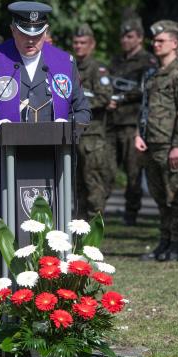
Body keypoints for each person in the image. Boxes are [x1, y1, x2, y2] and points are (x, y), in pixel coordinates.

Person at [0, 1, 91, 281]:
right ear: (12, 29)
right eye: (24, 33)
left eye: (37, 33)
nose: (31, 40)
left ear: (46, 31)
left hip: (54, 170)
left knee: (53, 241)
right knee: (4, 243)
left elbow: (82, 109)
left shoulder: (63, 63)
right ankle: (4, 311)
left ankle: (52, 307)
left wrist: (69, 127)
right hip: (0, 167)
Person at [135, 20, 178, 262]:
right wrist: (138, 133)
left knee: (175, 197)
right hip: (151, 143)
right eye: (155, 41)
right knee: (160, 198)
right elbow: (145, 107)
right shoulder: (153, 74)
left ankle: (177, 244)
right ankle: (165, 241)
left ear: (174, 43)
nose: (155, 44)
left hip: (170, 145)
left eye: (161, 41)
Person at [107, 18, 158, 226]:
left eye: (130, 37)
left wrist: (122, 98)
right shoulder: (116, 61)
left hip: (132, 123)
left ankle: (131, 213)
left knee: (133, 172)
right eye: (123, 37)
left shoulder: (148, 61)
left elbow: (147, 90)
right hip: (112, 123)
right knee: (107, 168)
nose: (125, 41)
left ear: (140, 38)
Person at [72, 24, 114, 219]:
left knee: (94, 186)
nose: (79, 46)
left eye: (83, 43)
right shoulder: (69, 67)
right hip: (74, 136)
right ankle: (79, 232)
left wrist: (78, 105)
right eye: (76, 42)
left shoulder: (98, 69)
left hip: (92, 138)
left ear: (92, 45)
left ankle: (94, 233)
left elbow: (104, 96)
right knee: (77, 187)